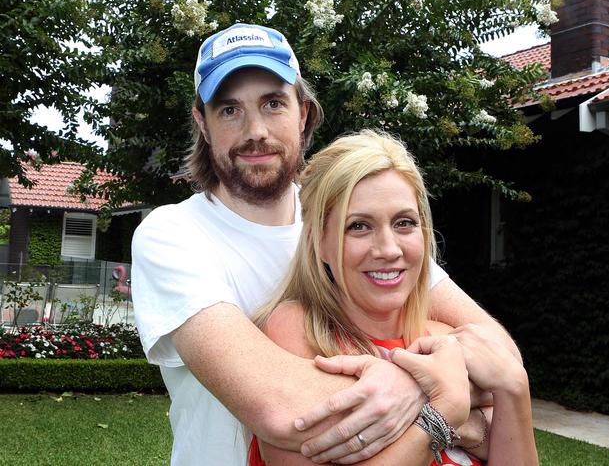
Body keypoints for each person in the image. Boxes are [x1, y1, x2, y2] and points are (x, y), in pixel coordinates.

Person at [132, 23, 525, 466]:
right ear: (202, 124)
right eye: (229, 110)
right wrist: (445, 401)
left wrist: (450, 396)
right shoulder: (174, 235)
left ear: (303, 113)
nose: (255, 130)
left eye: (273, 103)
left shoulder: (350, 216)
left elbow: (500, 357)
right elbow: (280, 408)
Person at [252, 130, 538, 465]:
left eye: (404, 223)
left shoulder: (451, 340)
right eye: (359, 226)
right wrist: (444, 412)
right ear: (320, 242)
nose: (389, 249)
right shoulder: (299, 333)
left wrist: (515, 387)